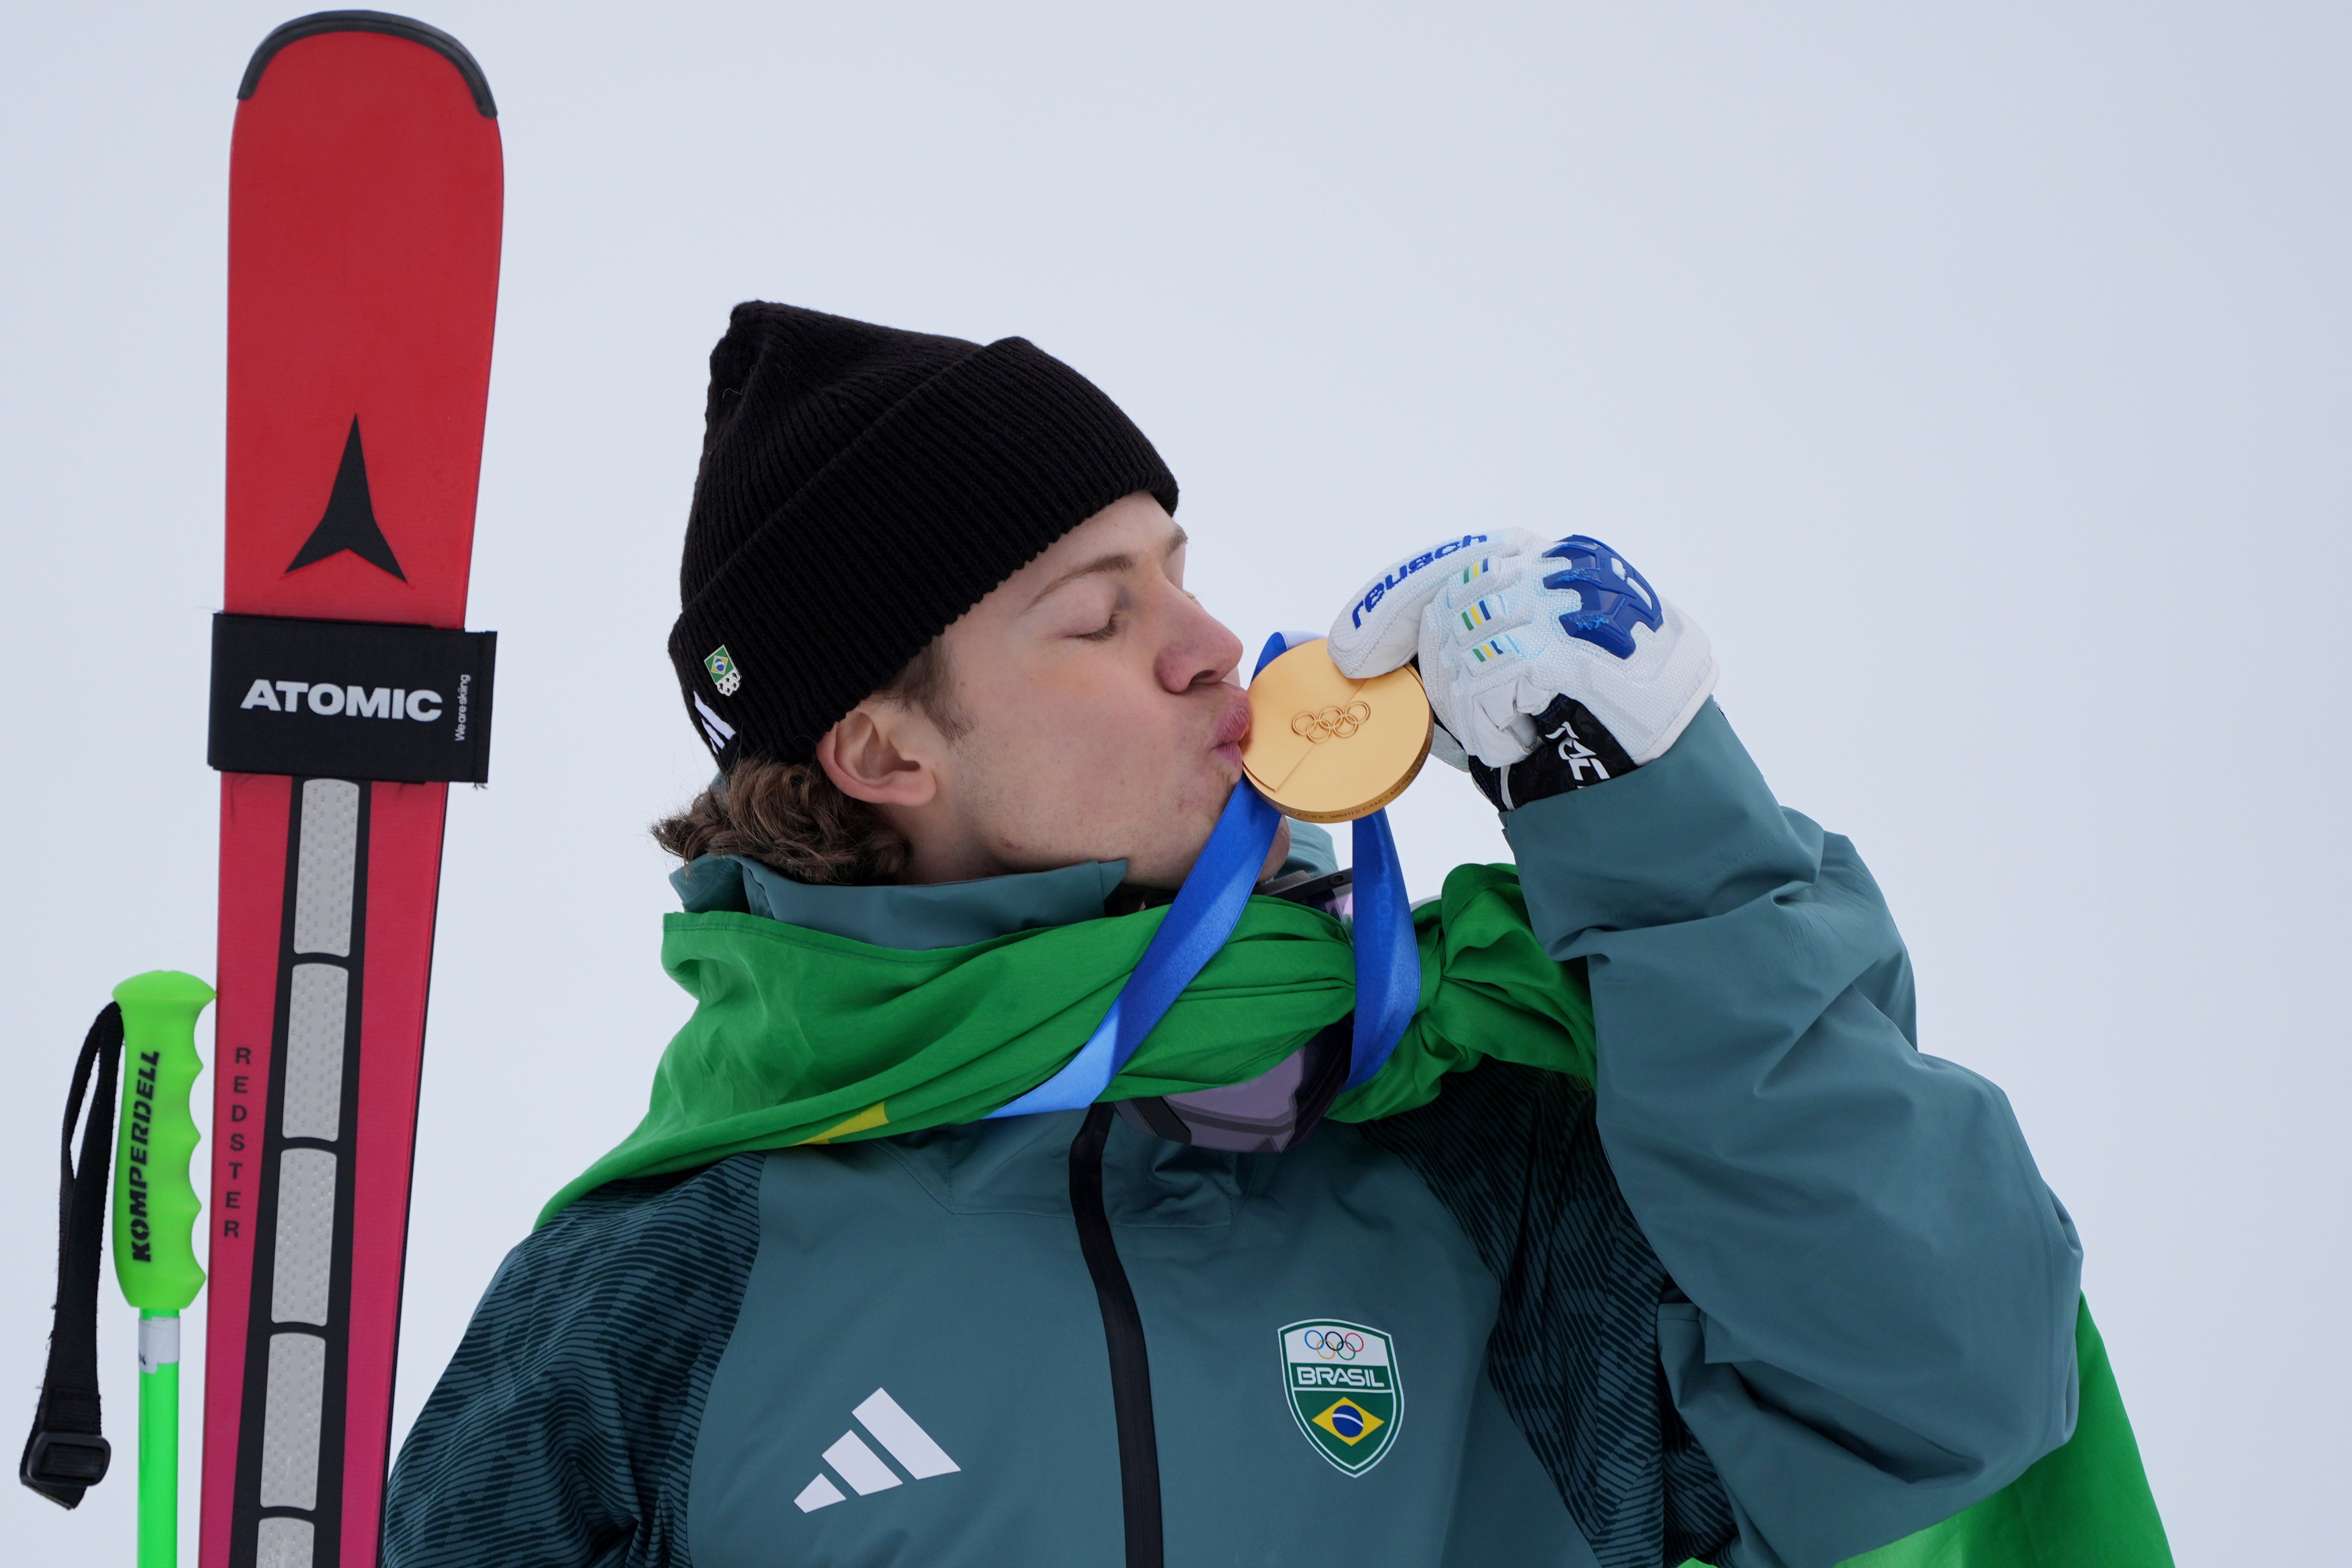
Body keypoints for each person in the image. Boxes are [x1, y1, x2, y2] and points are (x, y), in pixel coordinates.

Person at [380, 303, 2088, 1568]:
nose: (1213, 648)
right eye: (1102, 615)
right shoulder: (661, 1291)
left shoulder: (1471, 1147)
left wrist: (1651, 821)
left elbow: (1938, 1387)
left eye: (1182, 575)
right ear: (885, 751)